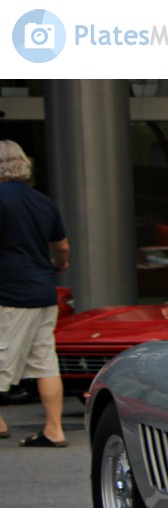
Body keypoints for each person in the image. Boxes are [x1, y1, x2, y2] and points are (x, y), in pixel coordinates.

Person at [0, 140, 71, 447]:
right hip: (43, 292)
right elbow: (62, 247)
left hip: (9, 293)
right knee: (45, 361)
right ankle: (54, 429)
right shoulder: (43, 201)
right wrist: (59, 264)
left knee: (2, 358)